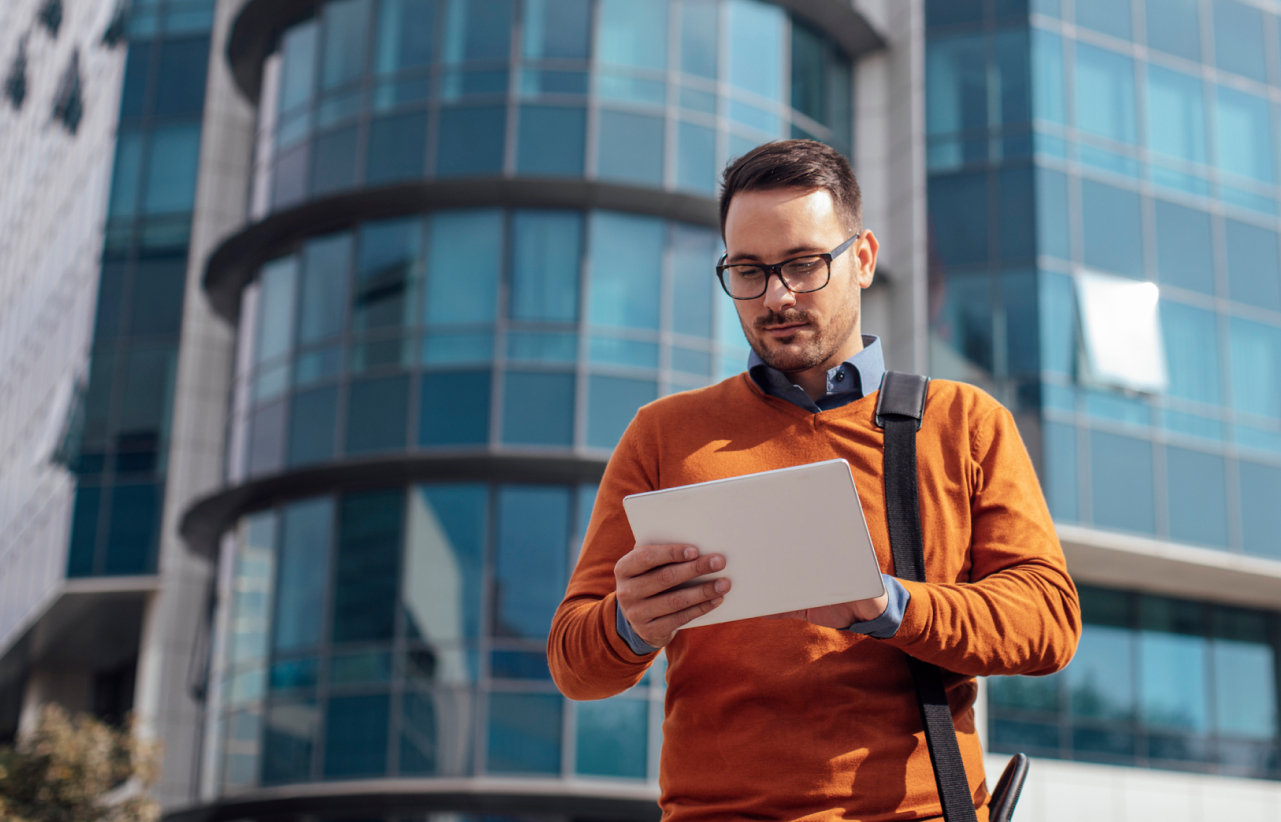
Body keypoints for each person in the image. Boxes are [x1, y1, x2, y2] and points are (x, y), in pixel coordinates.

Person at [548, 140, 1080, 821]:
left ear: (860, 260)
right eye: (748, 271)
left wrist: (888, 607)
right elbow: (573, 663)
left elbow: (1047, 622)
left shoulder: (964, 423)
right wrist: (629, 624)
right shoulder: (663, 434)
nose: (775, 297)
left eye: (802, 265)